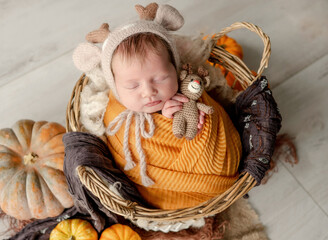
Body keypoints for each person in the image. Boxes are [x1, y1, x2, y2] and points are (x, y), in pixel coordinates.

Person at [73, 3, 242, 210]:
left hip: (213, 170)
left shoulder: (188, 88)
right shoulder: (114, 113)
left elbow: (207, 119)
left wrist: (191, 118)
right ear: (115, 86)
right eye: (132, 85)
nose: (148, 92)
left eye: (161, 78)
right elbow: (124, 156)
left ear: (176, 68)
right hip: (165, 189)